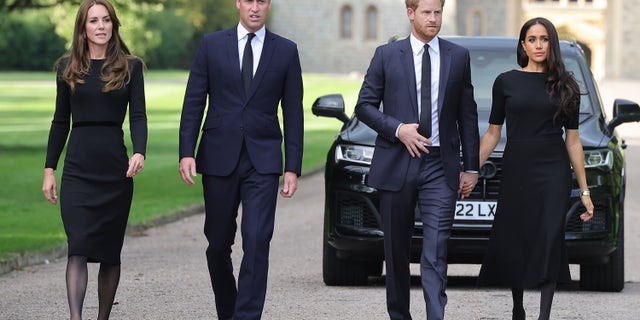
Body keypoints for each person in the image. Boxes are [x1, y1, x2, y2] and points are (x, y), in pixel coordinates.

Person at [177, 0, 303, 319]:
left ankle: (246, 315)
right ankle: (229, 309)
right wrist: (186, 152)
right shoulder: (211, 45)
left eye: (262, 1)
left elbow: (293, 113)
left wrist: (292, 167)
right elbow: (194, 102)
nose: (255, 7)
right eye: (249, 0)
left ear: (269, 4)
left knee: (258, 240)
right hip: (219, 156)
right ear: (238, 3)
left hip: (263, 160)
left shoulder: (286, 51)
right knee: (218, 243)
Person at [354, 0, 479, 318]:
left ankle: (435, 315)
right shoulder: (386, 55)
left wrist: (471, 167)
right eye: (426, 12)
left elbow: (467, 115)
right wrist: (397, 130)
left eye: (437, 12)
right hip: (398, 160)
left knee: (435, 249)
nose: (433, 19)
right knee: (395, 251)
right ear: (410, 14)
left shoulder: (457, 56)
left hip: (440, 165)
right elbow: (365, 106)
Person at [476, 17, 595, 320]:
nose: (538, 45)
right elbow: (493, 132)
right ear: (523, 44)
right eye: (532, 39)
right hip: (518, 167)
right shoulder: (506, 81)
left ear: (551, 44)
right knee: (518, 235)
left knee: (549, 236)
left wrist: (584, 190)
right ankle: (518, 308)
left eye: (544, 39)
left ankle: (544, 315)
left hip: (553, 170)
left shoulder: (566, 85)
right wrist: (470, 168)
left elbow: (573, 141)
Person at [41, 0, 147, 319]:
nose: (100, 26)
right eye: (93, 21)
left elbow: (138, 115)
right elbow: (60, 122)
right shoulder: (67, 67)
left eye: (106, 20)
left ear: (113, 25)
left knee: (109, 252)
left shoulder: (131, 66)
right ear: (83, 28)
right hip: (77, 170)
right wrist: (50, 169)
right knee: (79, 247)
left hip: (114, 170)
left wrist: (140, 150)